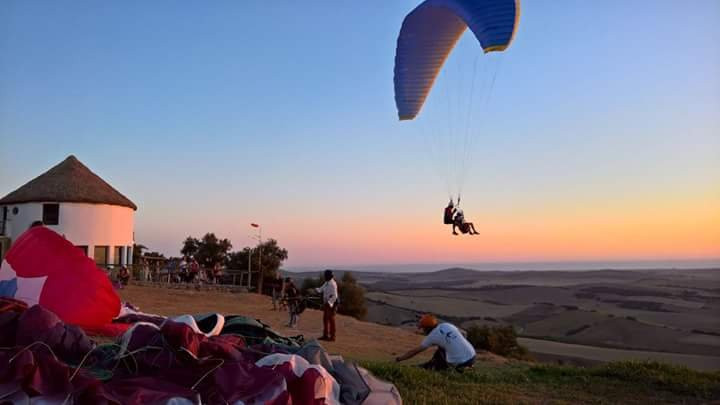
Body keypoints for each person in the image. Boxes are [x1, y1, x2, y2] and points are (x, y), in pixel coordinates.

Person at [395, 314, 476, 371]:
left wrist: (399, 359)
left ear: (427, 328)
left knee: (432, 366)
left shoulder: (432, 336)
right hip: (472, 356)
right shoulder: (447, 325)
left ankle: (432, 366)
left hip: (459, 363)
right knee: (442, 347)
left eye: (423, 328)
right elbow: (464, 333)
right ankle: (467, 366)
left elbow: (414, 352)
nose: (423, 331)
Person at [315, 270, 338, 341]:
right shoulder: (326, 283)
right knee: (325, 320)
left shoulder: (332, 284)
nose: (324, 277)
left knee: (331, 320)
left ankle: (332, 337)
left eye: (325, 276)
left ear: (328, 276)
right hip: (326, 304)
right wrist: (315, 290)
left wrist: (329, 303)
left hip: (331, 305)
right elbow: (321, 289)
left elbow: (335, 296)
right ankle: (325, 335)